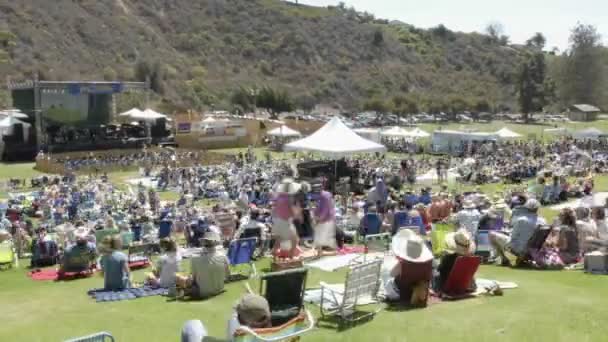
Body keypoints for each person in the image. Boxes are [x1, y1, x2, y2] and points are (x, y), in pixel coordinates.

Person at [382, 229, 433, 304]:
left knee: (386, 273)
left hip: (404, 294)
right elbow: (428, 278)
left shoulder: (404, 263)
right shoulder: (428, 262)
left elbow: (392, 274)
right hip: (420, 291)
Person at [489, 199, 545, 266]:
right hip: (533, 250)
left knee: (491, 234)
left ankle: (504, 259)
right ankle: (521, 260)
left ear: (526, 208)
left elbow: (513, 237)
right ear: (537, 208)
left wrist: (507, 233)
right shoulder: (542, 221)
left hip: (519, 249)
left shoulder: (522, 220)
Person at [185, 231, 229, 299]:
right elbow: (227, 275)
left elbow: (192, 279)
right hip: (219, 289)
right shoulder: (223, 256)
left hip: (202, 293)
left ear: (202, 242)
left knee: (183, 280)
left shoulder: (195, 258)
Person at [313, 186, 337, 255]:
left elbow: (326, 209)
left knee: (326, 238)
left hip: (326, 220)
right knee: (319, 237)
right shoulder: (321, 196)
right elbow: (319, 207)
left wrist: (319, 219)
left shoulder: (324, 196)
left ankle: (332, 252)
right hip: (325, 219)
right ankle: (320, 252)